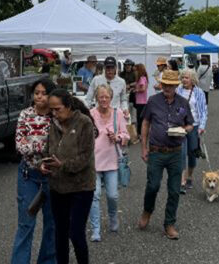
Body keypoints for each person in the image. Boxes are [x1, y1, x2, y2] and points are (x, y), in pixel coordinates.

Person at [42, 89, 97, 264]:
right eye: (52, 110)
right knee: (60, 232)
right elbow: (46, 150)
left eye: (57, 109)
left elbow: (85, 158)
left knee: (76, 232)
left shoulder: (84, 123)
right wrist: (42, 164)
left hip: (81, 187)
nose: (54, 113)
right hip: (57, 186)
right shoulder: (52, 124)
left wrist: (62, 165)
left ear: (68, 106)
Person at [140, 70, 194, 240]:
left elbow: (190, 124)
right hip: (156, 151)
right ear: (161, 84)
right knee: (153, 185)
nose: (167, 88)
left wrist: (183, 130)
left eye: (170, 85)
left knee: (174, 190)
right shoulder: (153, 101)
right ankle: (147, 211)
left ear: (176, 86)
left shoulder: (183, 102)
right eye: (164, 84)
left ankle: (169, 223)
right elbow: (146, 123)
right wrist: (143, 147)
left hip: (176, 152)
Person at [11, 79, 58, 264]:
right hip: (28, 175)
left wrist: (33, 145)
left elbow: (60, 147)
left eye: (44, 92)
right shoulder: (25, 115)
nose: (39, 96)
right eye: (36, 92)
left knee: (52, 226)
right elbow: (19, 146)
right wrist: (43, 145)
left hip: (52, 177)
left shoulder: (56, 116)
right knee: (25, 224)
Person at [87, 85, 129, 242]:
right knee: (94, 196)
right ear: (96, 98)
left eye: (106, 97)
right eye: (100, 97)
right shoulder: (90, 114)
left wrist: (117, 137)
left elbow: (127, 135)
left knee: (112, 195)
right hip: (93, 162)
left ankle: (113, 218)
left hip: (112, 162)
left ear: (111, 98)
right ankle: (96, 229)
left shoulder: (118, 114)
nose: (103, 99)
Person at [176, 69, 208, 194]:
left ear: (193, 79)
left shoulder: (199, 92)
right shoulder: (178, 90)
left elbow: (203, 111)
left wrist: (202, 126)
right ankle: (182, 181)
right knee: (182, 153)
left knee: (193, 154)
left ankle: (190, 176)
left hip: (194, 126)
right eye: (183, 77)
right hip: (181, 126)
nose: (184, 80)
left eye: (187, 78)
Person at [132, 64, 151, 138]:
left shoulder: (141, 78)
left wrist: (136, 90)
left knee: (140, 119)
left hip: (141, 102)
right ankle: (142, 133)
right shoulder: (143, 78)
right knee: (141, 119)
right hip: (142, 101)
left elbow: (142, 89)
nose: (134, 72)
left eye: (135, 70)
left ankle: (140, 134)